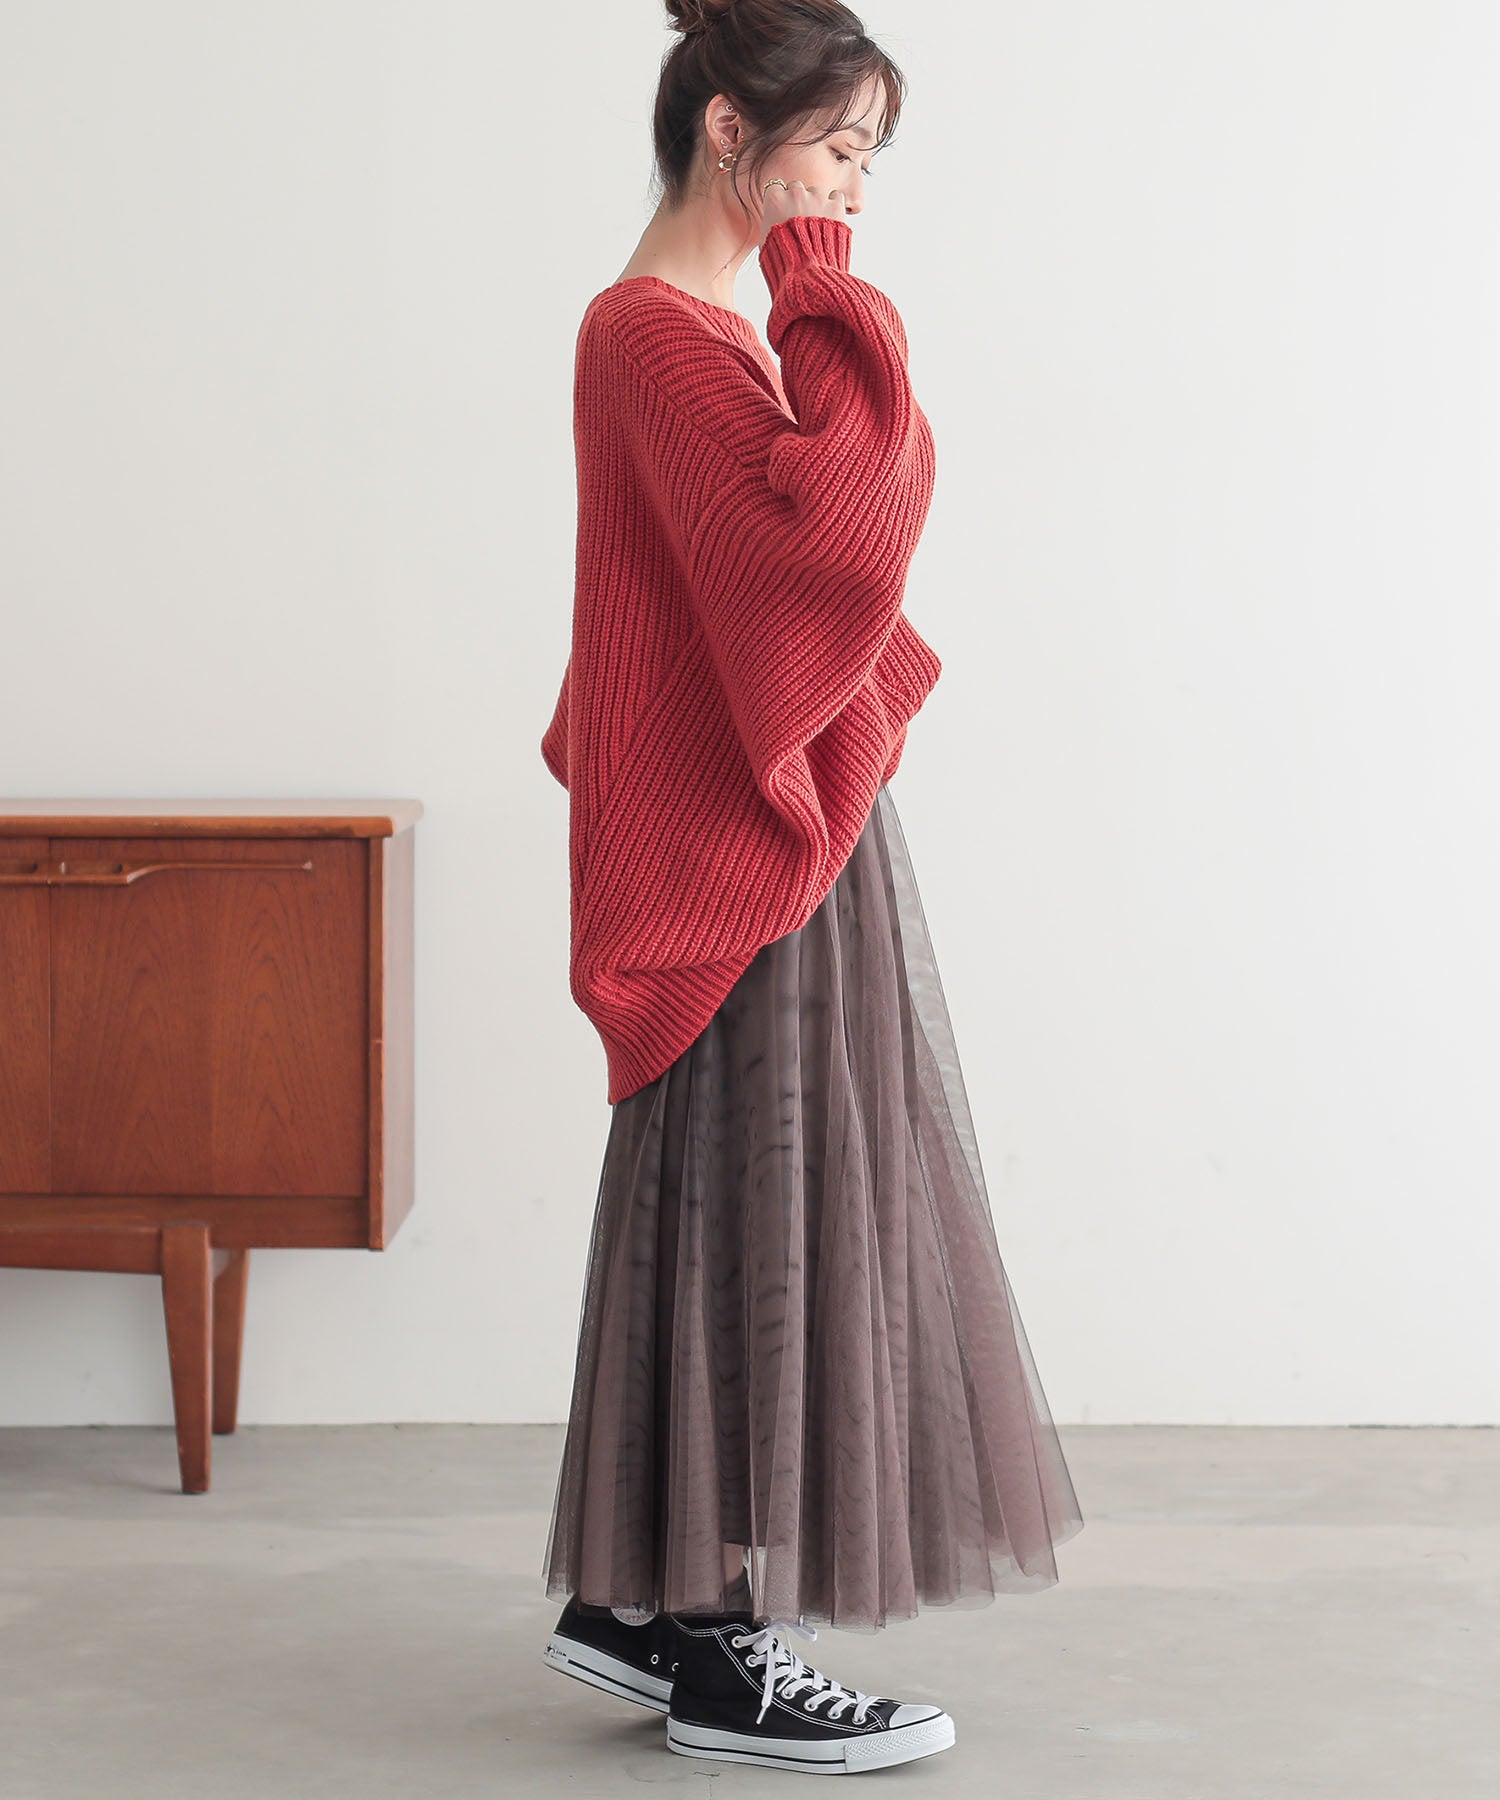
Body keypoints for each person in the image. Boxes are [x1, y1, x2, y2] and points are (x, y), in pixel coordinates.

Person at [537, 0, 1084, 1774]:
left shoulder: (682, 328)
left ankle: (641, 1603)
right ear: (730, 130)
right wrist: (824, 281)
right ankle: (723, 1650)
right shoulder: (663, 332)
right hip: (746, 839)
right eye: (838, 148)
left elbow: (822, 536)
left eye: (868, 159)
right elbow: (842, 536)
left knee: (730, 1194)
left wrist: (804, 291)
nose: (854, 188)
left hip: (760, 829)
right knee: (764, 1214)